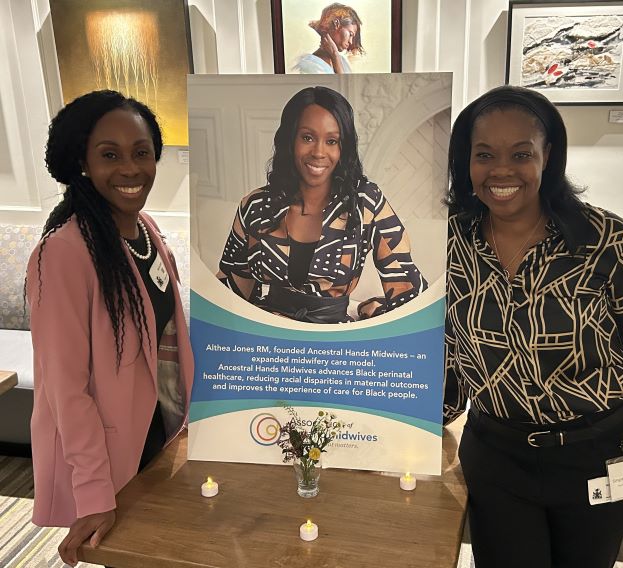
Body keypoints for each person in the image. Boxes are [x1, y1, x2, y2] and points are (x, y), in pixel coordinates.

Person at [443, 85, 623, 568]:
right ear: (465, 161)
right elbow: (447, 350)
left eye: (521, 153)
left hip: (600, 453)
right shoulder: (447, 242)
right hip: (496, 454)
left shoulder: (606, 239)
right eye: (484, 154)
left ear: (548, 156)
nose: (501, 170)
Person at [26, 90, 193, 567]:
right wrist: (94, 491)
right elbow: (65, 389)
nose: (130, 168)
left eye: (141, 153)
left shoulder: (147, 232)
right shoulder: (63, 254)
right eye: (110, 155)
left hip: (157, 435)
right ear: (80, 162)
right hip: (111, 453)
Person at [217, 85, 427, 323]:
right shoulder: (255, 205)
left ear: (343, 147)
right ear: (290, 140)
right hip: (269, 339)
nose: (318, 152)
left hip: (335, 345)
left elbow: (406, 286)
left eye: (332, 141)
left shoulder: (365, 202)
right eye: (307, 137)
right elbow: (232, 287)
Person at [291, 3, 363, 74]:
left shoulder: (342, 61)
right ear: (336, 23)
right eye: (350, 34)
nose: (350, 42)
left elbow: (347, 85)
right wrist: (334, 55)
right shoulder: (310, 64)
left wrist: (335, 56)